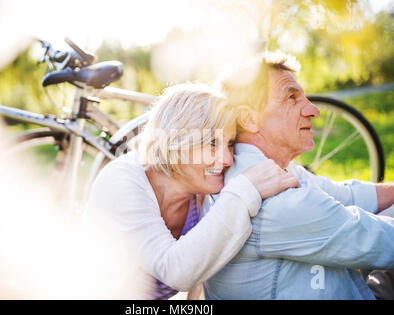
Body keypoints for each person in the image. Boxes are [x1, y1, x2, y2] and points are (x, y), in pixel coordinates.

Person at [203, 51, 394, 300]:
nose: (313, 109)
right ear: (249, 119)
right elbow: (376, 239)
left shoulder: (266, 168)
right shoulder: (274, 199)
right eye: (292, 97)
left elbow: (346, 194)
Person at [84, 83, 299, 299]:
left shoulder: (202, 191)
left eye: (230, 143)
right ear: (176, 141)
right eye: (212, 143)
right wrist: (244, 191)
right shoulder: (120, 181)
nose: (227, 159)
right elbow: (176, 272)